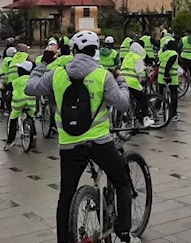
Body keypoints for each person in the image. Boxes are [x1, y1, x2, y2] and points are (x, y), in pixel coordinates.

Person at [24, 31, 134, 243]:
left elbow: (30, 87)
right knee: (121, 181)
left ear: (74, 51)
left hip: (70, 145)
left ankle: (63, 240)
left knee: (66, 195)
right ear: (95, 51)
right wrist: (121, 81)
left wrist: (44, 62)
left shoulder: (56, 74)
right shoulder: (103, 75)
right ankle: (124, 232)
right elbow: (123, 103)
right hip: (100, 142)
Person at [120, 40, 154, 127]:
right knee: (143, 98)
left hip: (122, 80)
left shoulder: (127, 56)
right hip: (131, 82)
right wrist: (145, 73)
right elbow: (139, 72)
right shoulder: (137, 57)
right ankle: (145, 118)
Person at [5, 60, 36, 151]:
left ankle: (10, 141)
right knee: (31, 117)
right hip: (31, 102)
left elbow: (8, 87)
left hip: (18, 103)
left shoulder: (16, 81)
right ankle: (33, 135)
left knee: (13, 119)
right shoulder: (32, 79)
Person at [158, 37, 180, 122]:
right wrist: (168, 76)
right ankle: (174, 114)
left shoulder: (163, 53)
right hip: (171, 78)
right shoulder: (174, 54)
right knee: (174, 96)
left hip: (160, 77)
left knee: (161, 95)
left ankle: (158, 111)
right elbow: (169, 65)